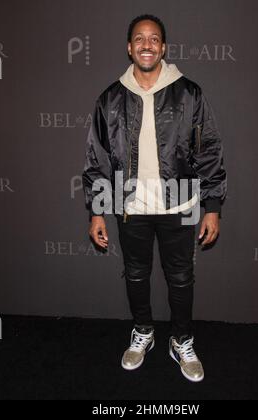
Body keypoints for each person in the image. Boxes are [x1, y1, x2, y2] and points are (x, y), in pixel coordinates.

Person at [82, 14, 227, 382]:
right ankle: (143, 332)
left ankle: (181, 340)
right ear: (129, 47)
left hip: (178, 203)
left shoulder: (189, 93)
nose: (147, 44)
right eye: (139, 39)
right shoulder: (110, 98)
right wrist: (97, 212)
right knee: (135, 274)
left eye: (154, 39)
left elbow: (208, 150)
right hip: (131, 207)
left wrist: (212, 206)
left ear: (163, 47)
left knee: (181, 277)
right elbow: (97, 158)